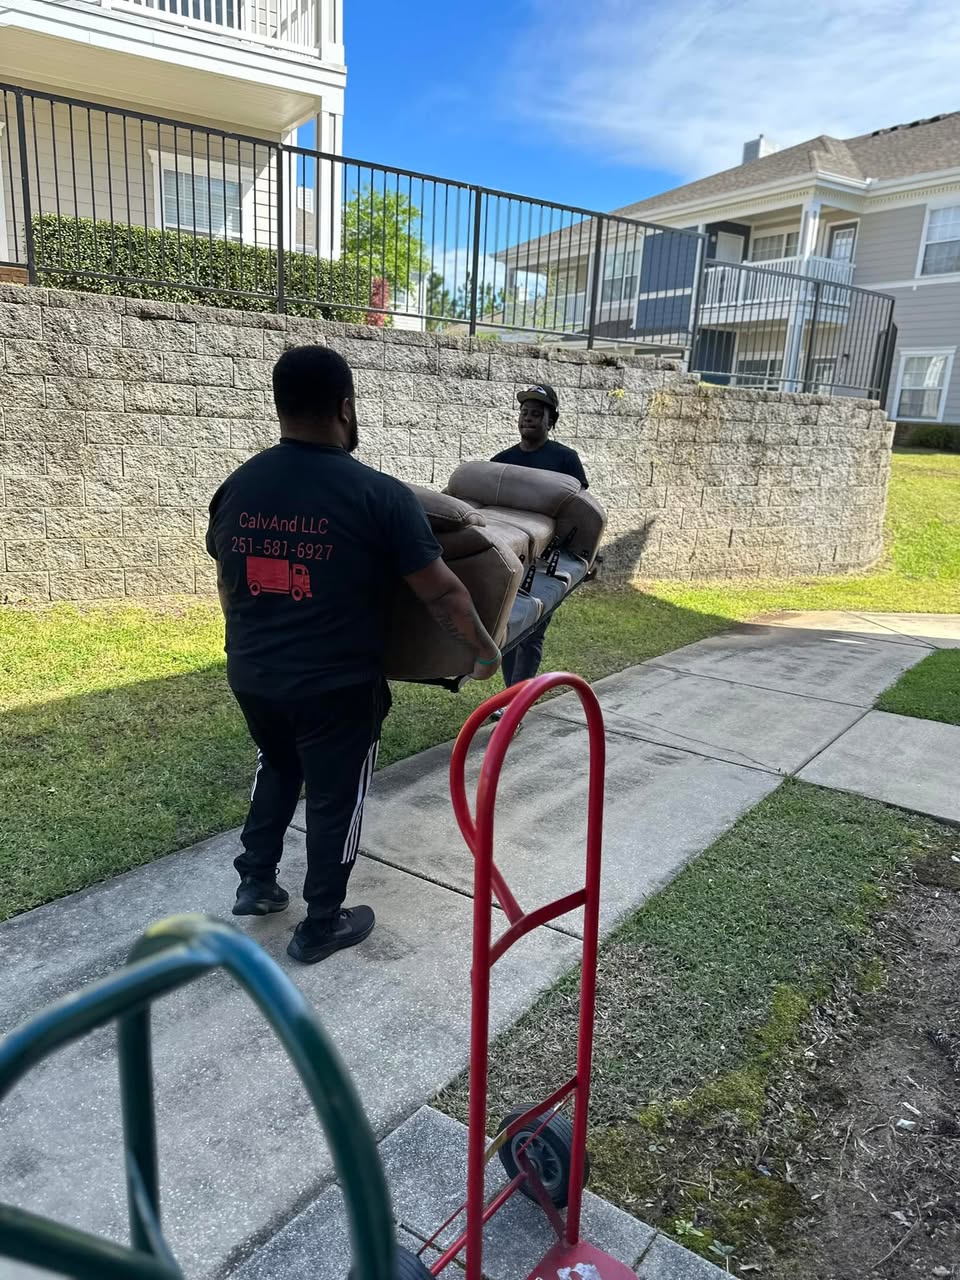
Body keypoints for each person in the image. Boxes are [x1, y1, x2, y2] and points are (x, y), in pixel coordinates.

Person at [206, 345, 501, 964]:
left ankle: (256, 880)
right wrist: (483, 651)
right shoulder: (380, 495)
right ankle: (321, 922)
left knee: (280, 763)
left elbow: (228, 570)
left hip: (254, 674)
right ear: (346, 408)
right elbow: (443, 592)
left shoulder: (239, 485)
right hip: (338, 686)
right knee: (339, 794)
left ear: (281, 406)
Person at [490, 384, 590, 692]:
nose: (528, 419)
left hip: (549, 562)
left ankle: (514, 703)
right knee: (511, 627)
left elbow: (581, 510)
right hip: (512, 559)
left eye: (537, 414)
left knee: (533, 631)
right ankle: (511, 698)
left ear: (552, 421)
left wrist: (588, 557)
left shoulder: (565, 460)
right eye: (524, 413)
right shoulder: (501, 462)